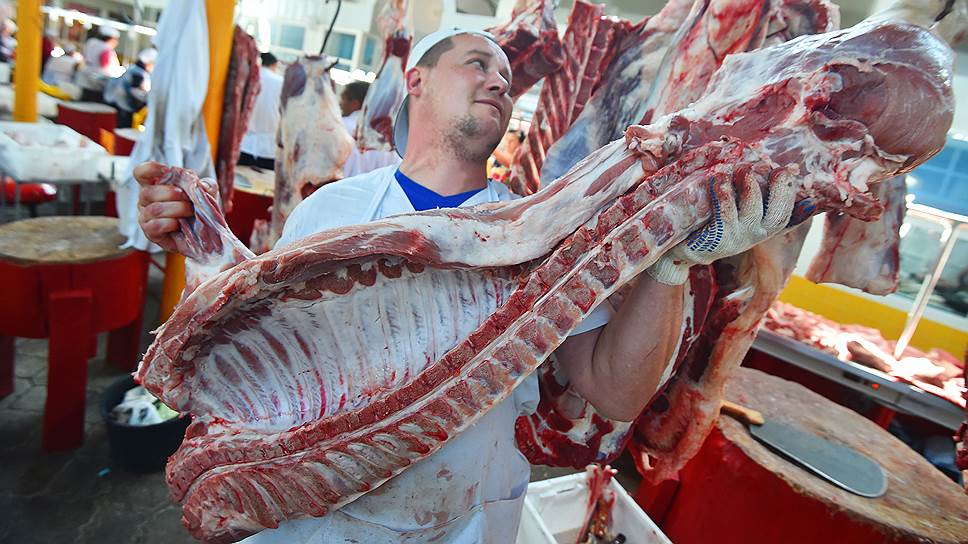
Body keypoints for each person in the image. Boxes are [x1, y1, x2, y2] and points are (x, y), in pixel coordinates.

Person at [133, 27, 799, 543]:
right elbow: (262, 362)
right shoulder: (331, 209)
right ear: (416, 81)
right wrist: (196, 237)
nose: (499, 83)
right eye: (478, 64)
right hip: (309, 517)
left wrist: (671, 264)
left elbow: (616, 392)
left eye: (507, 79)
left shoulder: (544, 234)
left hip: (457, 523)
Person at [339, 80, 402, 177]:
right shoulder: (393, 140)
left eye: (343, 99)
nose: (340, 104)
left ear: (354, 103)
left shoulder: (340, 127)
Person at [238, 52, 283, 170]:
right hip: (268, 150)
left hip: (243, 146)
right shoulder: (280, 82)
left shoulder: (247, 78)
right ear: (274, 65)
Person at [104, 47, 157, 128]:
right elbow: (134, 91)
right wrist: (147, 98)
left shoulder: (133, 68)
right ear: (148, 63)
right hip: (125, 106)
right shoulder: (138, 74)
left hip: (118, 103)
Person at [77, 26, 120, 103]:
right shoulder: (106, 48)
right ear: (111, 39)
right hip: (96, 82)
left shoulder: (91, 42)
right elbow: (105, 65)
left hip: (84, 76)